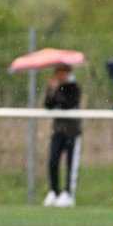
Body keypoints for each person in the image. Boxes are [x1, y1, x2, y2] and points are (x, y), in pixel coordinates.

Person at [41, 63, 81, 207]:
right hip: (58, 131)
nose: (60, 74)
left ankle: (69, 193)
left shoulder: (74, 87)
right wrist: (52, 90)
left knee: (71, 163)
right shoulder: (55, 86)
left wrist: (58, 90)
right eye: (58, 71)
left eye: (63, 71)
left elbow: (68, 103)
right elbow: (48, 104)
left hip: (72, 132)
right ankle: (54, 191)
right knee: (53, 161)